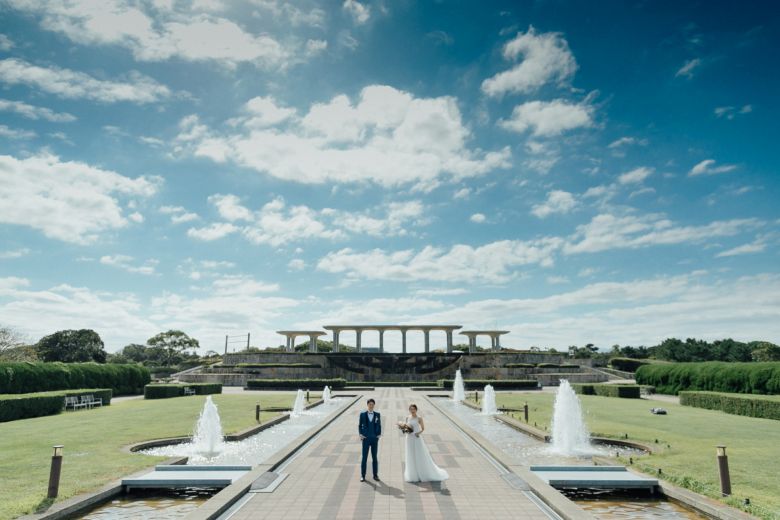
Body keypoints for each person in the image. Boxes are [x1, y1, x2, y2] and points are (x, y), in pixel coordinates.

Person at [403, 404, 449, 483]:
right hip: (409, 438)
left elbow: (423, 428)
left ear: (416, 410)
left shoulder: (419, 418)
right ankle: (412, 474)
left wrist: (418, 433)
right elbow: (406, 427)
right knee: (410, 454)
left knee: (419, 454)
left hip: (416, 438)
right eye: (411, 409)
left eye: (413, 409)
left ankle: (422, 472)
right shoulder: (407, 417)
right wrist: (405, 430)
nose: (412, 410)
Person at [358, 398, 381, 482]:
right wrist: (360, 434)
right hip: (366, 439)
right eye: (369, 404)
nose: (371, 406)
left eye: (372, 404)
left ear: (374, 405)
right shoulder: (362, 414)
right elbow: (360, 425)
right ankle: (363, 475)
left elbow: (379, 425)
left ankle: (375, 475)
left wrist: (378, 435)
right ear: (367, 405)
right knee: (364, 457)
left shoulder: (377, 414)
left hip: (374, 439)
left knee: (374, 457)